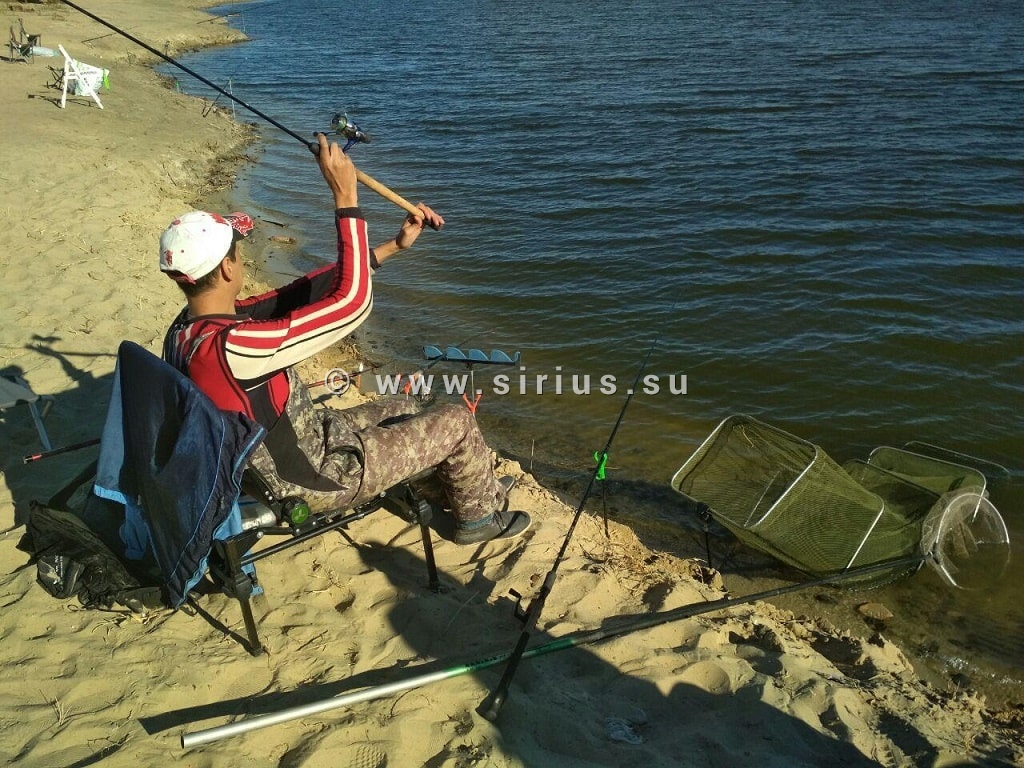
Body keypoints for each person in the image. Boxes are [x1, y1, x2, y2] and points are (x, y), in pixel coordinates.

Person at [158, 132, 529, 545]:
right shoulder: (236, 347)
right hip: (314, 477)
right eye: (238, 253)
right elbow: (352, 305)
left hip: (303, 438)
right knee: (457, 420)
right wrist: (346, 199)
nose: (241, 260)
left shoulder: (188, 329)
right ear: (228, 269)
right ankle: (479, 519)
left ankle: (461, 487)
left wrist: (393, 247)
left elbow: (301, 293)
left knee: (406, 405)